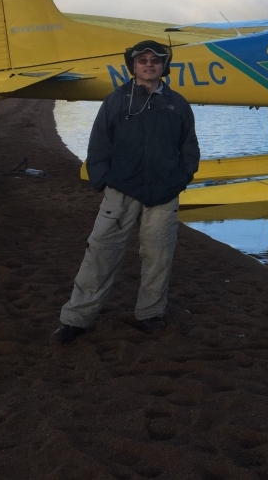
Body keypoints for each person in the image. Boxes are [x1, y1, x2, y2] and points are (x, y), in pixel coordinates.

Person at [54, 40, 200, 345]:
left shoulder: (178, 104)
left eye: (156, 60)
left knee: (159, 257)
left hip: (163, 193)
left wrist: (182, 178)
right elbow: (98, 144)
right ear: (133, 66)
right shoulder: (115, 101)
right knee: (100, 254)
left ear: (164, 67)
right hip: (120, 192)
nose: (149, 64)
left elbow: (189, 146)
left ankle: (150, 314)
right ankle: (77, 319)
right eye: (142, 60)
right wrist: (104, 180)